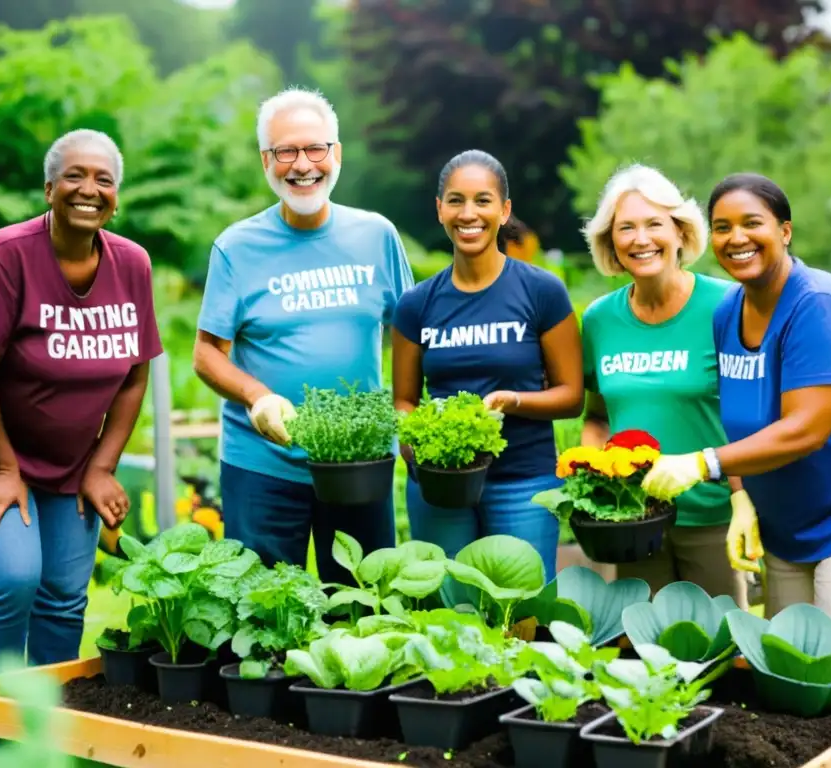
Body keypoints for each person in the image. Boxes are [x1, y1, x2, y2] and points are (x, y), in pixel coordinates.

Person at [643, 172, 831, 672]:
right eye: (722, 227)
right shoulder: (728, 312)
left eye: (752, 223)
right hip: (787, 527)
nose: (736, 238)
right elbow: (743, 418)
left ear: (784, 231)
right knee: (787, 674)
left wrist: (704, 464)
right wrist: (741, 496)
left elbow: (807, 429)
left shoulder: (817, 304)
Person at [0, 129, 163, 679]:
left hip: (72, 461)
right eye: (74, 175)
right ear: (48, 189)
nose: (89, 189)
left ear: (116, 196)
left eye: (103, 179)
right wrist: (4, 468)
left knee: (63, 593)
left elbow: (136, 376)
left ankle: (49, 733)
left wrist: (103, 466)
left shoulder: (132, 264)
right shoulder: (8, 254)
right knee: (14, 577)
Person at [193, 87, 414, 584]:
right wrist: (257, 395)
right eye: (285, 151)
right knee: (265, 618)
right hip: (262, 465)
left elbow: (409, 332)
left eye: (315, 148)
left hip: (360, 462)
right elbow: (206, 354)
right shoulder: (236, 247)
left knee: (364, 610)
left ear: (336, 153)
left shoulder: (377, 235)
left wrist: (406, 412)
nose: (302, 164)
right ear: (265, 161)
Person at [390, 150, 584, 580]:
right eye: (455, 200)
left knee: (523, 615)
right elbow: (403, 400)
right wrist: (415, 450)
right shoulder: (416, 304)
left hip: (523, 483)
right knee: (450, 617)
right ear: (439, 209)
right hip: (440, 486)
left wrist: (513, 402)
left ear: (504, 210)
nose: (468, 213)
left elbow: (571, 396)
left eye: (483, 200)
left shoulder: (542, 291)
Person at [578, 164, 748, 605]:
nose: (641, 239)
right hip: (633, 519)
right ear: (610, 242)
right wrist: (595, 485)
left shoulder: (726, 306)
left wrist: (745, 504)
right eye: (626, 228)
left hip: (712, 518)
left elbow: (749, 416)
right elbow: (597, 416)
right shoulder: (599, 319)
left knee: (720, 652)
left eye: (654, 224)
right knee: (641, 653)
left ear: (680, 232)